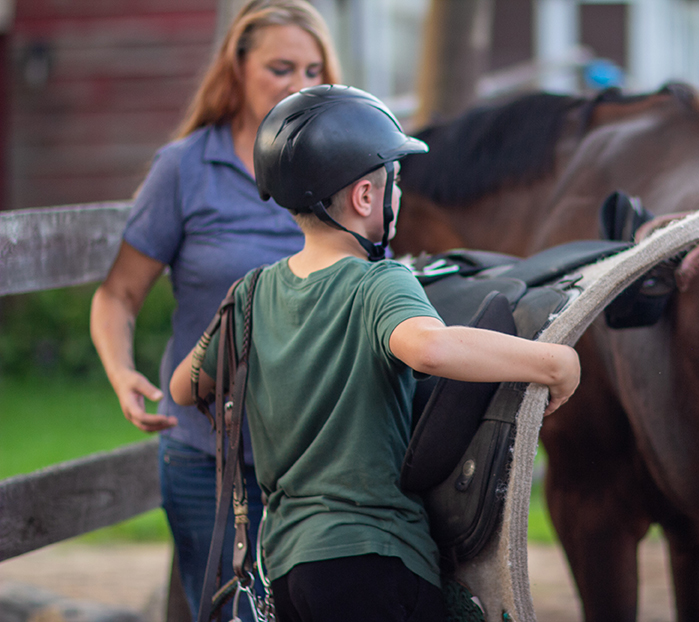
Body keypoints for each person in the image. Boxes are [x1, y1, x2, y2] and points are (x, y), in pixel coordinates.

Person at [169, 85, 581, 622]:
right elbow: (429, 348)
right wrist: (555, 363)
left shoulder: (251, 294)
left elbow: (185, 387)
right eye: (395, 181)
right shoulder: (381, 282)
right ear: (365, 197)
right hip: (376, 560)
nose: (399, 195)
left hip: (291, 567)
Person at [88, 1, 342, 617]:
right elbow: (118, 294)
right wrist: (122, 374)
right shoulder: (184, 168)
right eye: (281, 68)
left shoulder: (345, 168)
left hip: (319, 454)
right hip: (209, 456)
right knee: (232, 613)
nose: (298, 87)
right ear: (237, 67)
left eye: (313, 71)